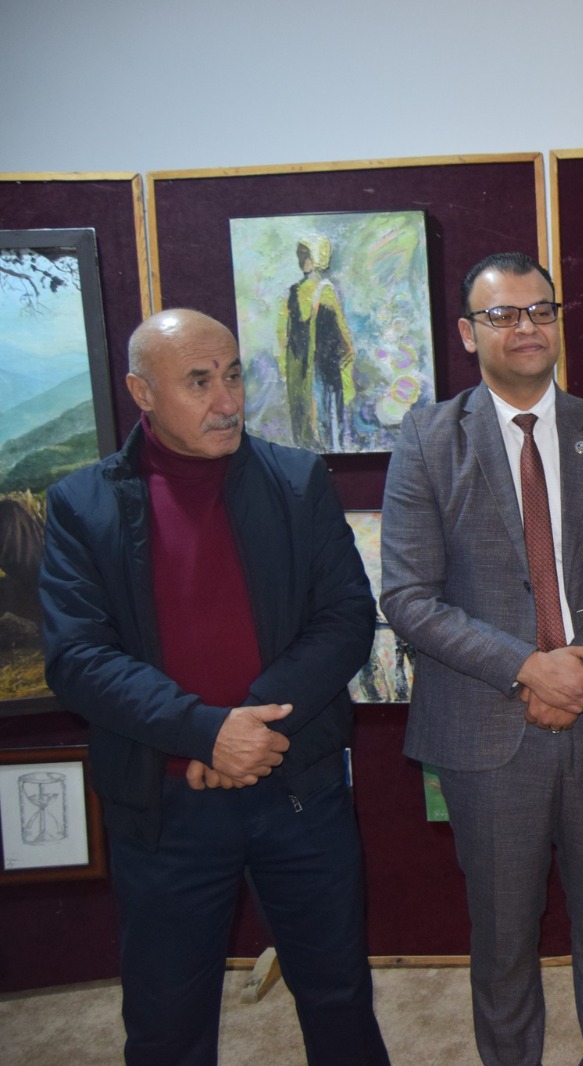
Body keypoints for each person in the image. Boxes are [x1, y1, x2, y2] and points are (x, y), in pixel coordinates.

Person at [37, 309, 387, 1065]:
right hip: (164, 806)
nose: (227, 401)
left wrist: (249, 730)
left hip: (297, 788)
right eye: (199, 382)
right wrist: (205, 732)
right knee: (167, 1024)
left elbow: (345, 617)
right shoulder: (82, 505)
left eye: (232, 376)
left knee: (339, 1001)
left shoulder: (296, 482)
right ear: (143, 392)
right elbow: (78, 657)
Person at [381, 252, 583, 1066]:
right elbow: (408, 596)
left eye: (541, 310)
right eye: (502, 314)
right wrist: (527, 667)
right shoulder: (428, 440)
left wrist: (578, 672)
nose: (526, 327)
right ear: (468, 332)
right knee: (503, 940)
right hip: (487, 727)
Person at [278, 235, 356, 450]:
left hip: (323, 361)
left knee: (323, 408)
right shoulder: (293, 291)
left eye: (306, 254)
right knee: (304, 409)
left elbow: (340, 324)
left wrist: (348, 348)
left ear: (318, 256)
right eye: (300, 254)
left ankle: (328, 446)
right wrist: (284, 361)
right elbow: (285, 330)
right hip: (300, 360)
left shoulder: (326, 289)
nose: (302, 259)